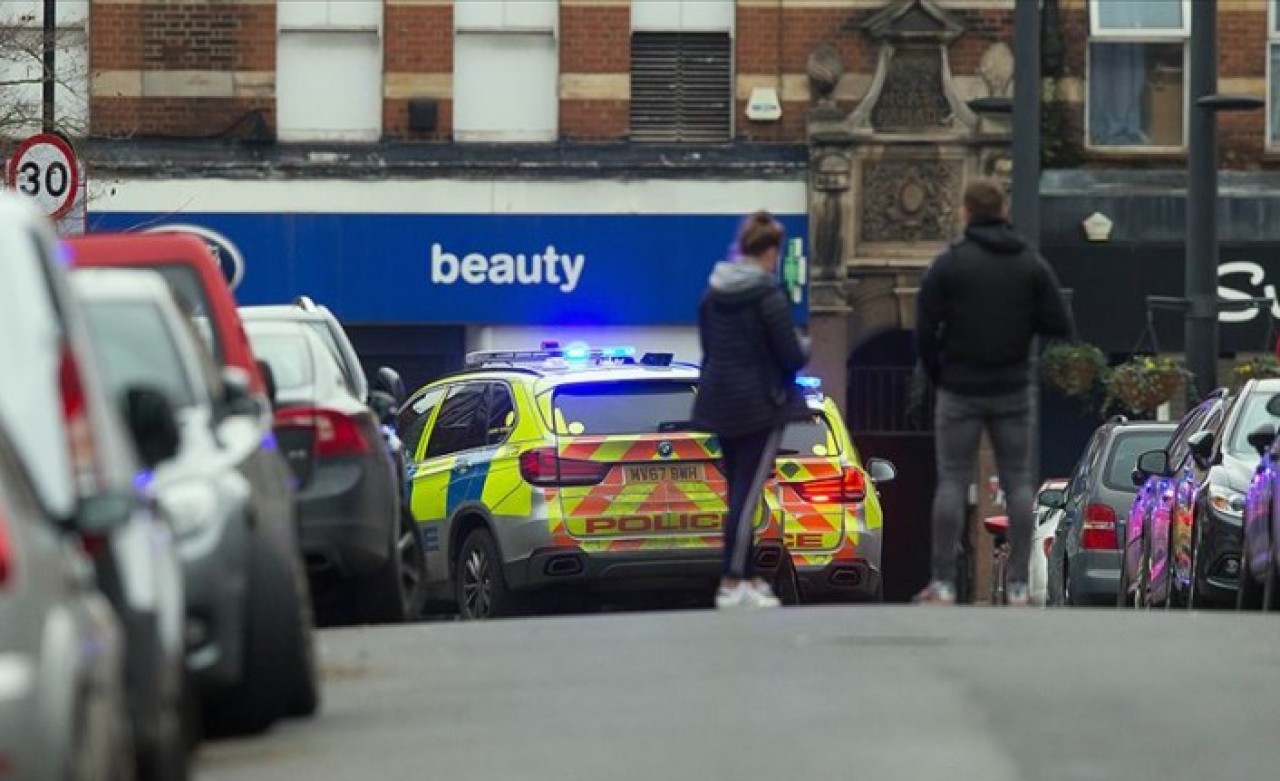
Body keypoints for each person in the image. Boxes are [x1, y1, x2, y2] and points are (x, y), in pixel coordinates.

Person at [914, 179, 1074, 606]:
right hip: (1012, 387)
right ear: (1003, 211)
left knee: (950, 481)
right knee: (1020, 483)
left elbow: (924, 332)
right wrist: (1021, 328)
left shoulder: (948, 265)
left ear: (965, 213)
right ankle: (1020, 584)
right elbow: (1060, 322)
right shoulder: (1028, 264)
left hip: (960, 387)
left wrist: (940, 373)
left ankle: (943, 583)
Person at [693, 210, 810, 610]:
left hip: (719, 400)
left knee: (737, 493)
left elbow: (709, 350)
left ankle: (746, 575)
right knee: (746, 494)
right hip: (760, 405)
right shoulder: (767, 295)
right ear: (770, 251)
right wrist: (805, 347)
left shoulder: (713, 293)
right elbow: (791, 356)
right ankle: (731, 579)